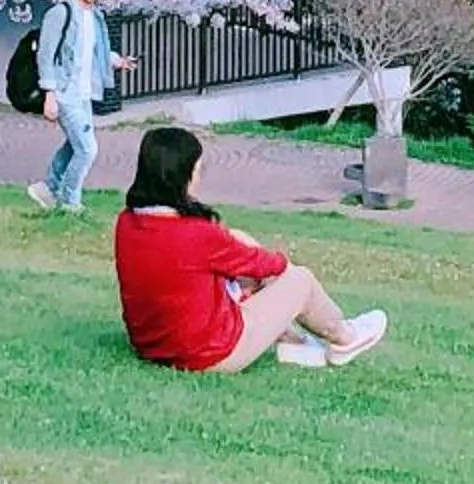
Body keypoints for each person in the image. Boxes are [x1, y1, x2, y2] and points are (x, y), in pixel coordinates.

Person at [112, 126, 385, 374]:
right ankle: (344, 338)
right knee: (300, 280)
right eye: (197, 170)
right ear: (183, 176)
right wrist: (280, 272)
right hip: (207, 352)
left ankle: (293, 339)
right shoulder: (196, 234)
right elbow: (264, 265)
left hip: (153, 345)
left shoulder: (127, 223)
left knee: (238, 241)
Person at [26, 0, 135, 214]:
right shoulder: (61, 13)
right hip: (65, 93)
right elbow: (46, 55)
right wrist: (49, 95)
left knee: (75, 145)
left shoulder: (94, 16)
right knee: (87, 150)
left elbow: (93, 50)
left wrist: (117, 61)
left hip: (84, 93)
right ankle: (70, 201)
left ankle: (47, 187)